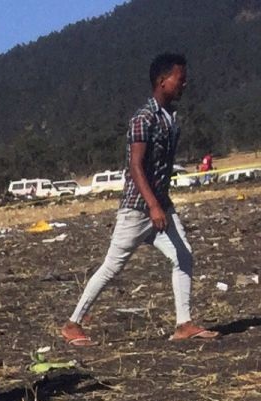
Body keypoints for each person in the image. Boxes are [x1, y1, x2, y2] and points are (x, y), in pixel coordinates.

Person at [61, 53, 217, 346]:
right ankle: (72, 324)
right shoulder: (143, 118)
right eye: (179, 79)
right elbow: (136, 165)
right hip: (138, 209)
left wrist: (162, 204)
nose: (184, 83)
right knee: (112, 266)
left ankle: (183, 323)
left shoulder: (170, 119)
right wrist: (153, 205)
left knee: (183, 256)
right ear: (162, 81)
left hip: (160, 205)